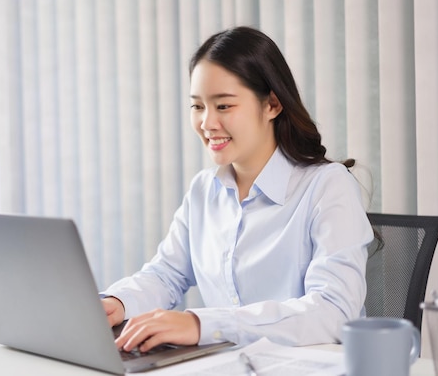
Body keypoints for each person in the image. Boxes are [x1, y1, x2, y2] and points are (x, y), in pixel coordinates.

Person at [101, 26, 374, 353]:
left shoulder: (327, 185)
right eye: (198, 106)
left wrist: (204, 325)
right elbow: (166, 274)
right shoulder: (204, 189)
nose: (207, 123)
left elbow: (334, 311)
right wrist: (119, 301)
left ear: (272, 104)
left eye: (224, 106)